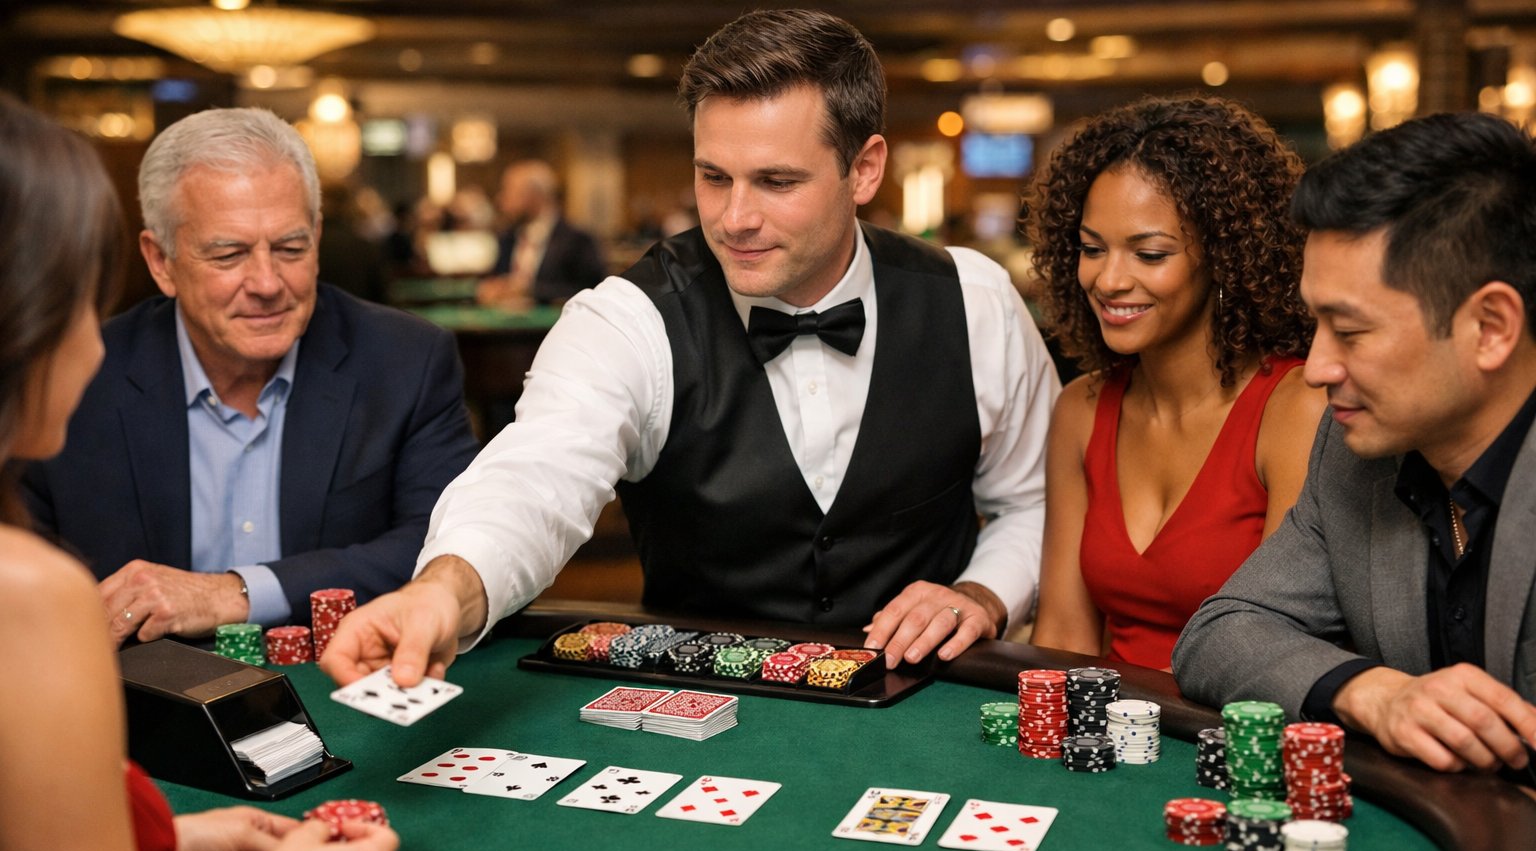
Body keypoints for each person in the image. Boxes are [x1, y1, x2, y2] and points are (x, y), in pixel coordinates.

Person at [322, 8, 1059, 687]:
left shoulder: (974, 300)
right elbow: (535, 477)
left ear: (864, 169)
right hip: (699, 699)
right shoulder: (628, 318)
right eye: (713, 177)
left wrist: (981, 592)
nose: (734, 217)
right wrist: (444, 590)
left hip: (925, 693)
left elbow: (1035, 502)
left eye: (776, 181)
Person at [0, 94, 396, 851]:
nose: (100, 339)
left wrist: (157, 850)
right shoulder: (29, 592)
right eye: (82, 302)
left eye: (289, 247)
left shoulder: (397, 356)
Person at [21, 107, 480, 647]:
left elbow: (447, 549)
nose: (266, 283)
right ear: (161, 261)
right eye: (229, 254)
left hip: (343, 683)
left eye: (290, 248)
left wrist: (237, 593)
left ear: (317, 238)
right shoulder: (74, 378)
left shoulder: (406, 360)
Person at [1172, 111, 1536, 776]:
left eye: (1350, 332)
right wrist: (1374, 693)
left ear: (1490, 327)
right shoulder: (1354, 454)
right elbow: (1219, 635)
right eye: (1316, 325)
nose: (1316, 369)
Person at [1025, 96, 1325, 671]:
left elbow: (1278, 649)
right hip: (1107, 721)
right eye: (1092, 249)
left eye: (1149, 253)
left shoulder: (1296, 409)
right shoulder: (1081, 408)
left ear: (1224, 257)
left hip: (1233, 716)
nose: (1109, 280)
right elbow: (1063, 636)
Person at [475, 159, 607, 307]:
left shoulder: (578, 241)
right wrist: (494, 288)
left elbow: (592, 292)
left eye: (509, 191)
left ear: (535, 196)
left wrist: (531, 291)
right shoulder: (507, 238)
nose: (501, 199)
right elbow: (498, 279)